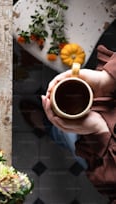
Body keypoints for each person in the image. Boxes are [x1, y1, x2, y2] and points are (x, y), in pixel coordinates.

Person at [41, 45, 116, 203]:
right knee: (67, 132)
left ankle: (47, 127)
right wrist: (107, 80)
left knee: (68, 136)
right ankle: (50, 127)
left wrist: (100, 132)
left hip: (109, 157)